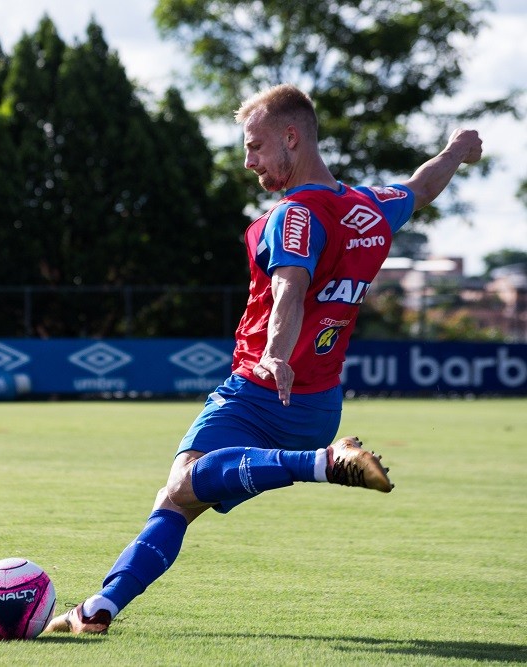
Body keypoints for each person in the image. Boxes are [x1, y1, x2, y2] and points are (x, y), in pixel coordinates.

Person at [45, 83, 483, 635]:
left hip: (260, 390)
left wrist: (275, 354)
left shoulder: (294, 215)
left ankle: (323, 464)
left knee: (184, 484)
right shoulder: (371, 208)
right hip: (319, 405)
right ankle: (98, 610)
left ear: (291, 138)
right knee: (178, 499)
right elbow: (421, 189)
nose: (249, 161)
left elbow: (288, 292)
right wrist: (456, 150)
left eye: (255, 146)